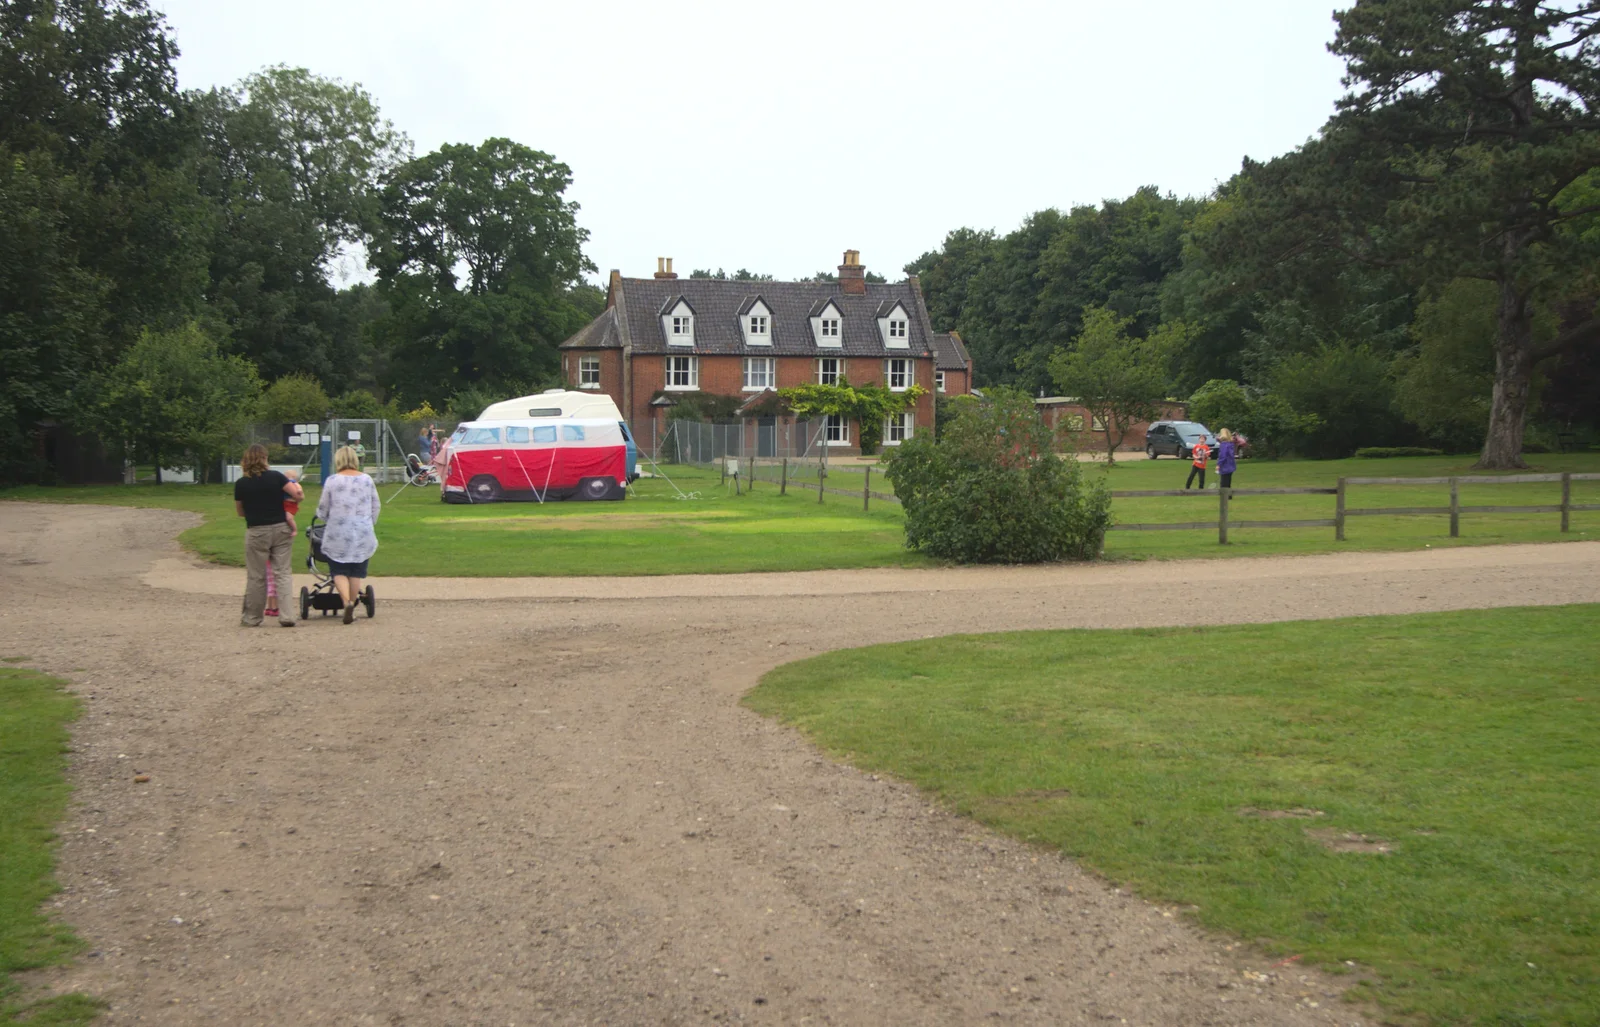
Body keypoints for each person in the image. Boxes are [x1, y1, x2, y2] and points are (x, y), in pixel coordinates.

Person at [235, 444, 304, 628]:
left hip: (257, 530)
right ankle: (287, 615)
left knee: (256, 575)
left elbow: (240, 512)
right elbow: (296, 494)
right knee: (283, 572)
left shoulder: (241, 483)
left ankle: (253, 617)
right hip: (280, 527)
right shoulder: (276, 477)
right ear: (265, 459)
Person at [315, 445, 381, 624]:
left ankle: (346, 602)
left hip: (338, 532)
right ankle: (353, 602)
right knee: (356, 572)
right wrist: (368, 522)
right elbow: (376, 505)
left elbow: (323, 509)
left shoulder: (332, 481)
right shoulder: (367, 480)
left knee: (338, 570)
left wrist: (325, 517)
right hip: (362, 531)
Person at [263, 468, 303, 621]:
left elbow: (299, 495)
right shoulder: (283, 485)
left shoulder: (292, 485)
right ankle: (275, 607)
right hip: (279, 526)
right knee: (277, 576)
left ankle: (273, 606)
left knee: (271, 577)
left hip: (284, 514)